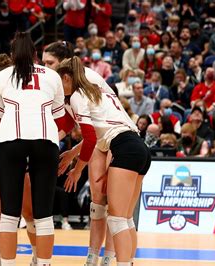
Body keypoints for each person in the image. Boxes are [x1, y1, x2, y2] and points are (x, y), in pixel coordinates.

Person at [57, 56, 151, 266]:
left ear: (66, 78)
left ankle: (120, 262)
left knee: (117, 220)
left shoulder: (76, 96)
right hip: (140, 148)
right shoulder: (100, 93)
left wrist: (77, 170)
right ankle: (127, 262)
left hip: (124, 149)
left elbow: (90, 137)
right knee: (126, 219)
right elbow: (101, 133)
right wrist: (73, 151)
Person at [0, 32, 66, 266]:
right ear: (35, 54)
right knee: (43, 215)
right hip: (45, 140)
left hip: (10, 141)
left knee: (9, 214)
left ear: (12, 55)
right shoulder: (53, 76)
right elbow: (60, 119)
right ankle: (43, 263)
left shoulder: (1, 76)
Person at [41, 41, 116, 265]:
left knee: (114, 203)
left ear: (63, 63)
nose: (45, 68)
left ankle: (110, 257)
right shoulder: (60, 86)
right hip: (98, 139)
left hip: (116, 136)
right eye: (43, 63)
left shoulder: (85, 79)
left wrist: (75, 161)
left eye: (49, 63)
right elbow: (65, 125)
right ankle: (92, 256)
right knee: (97, 202)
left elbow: (94, 128)